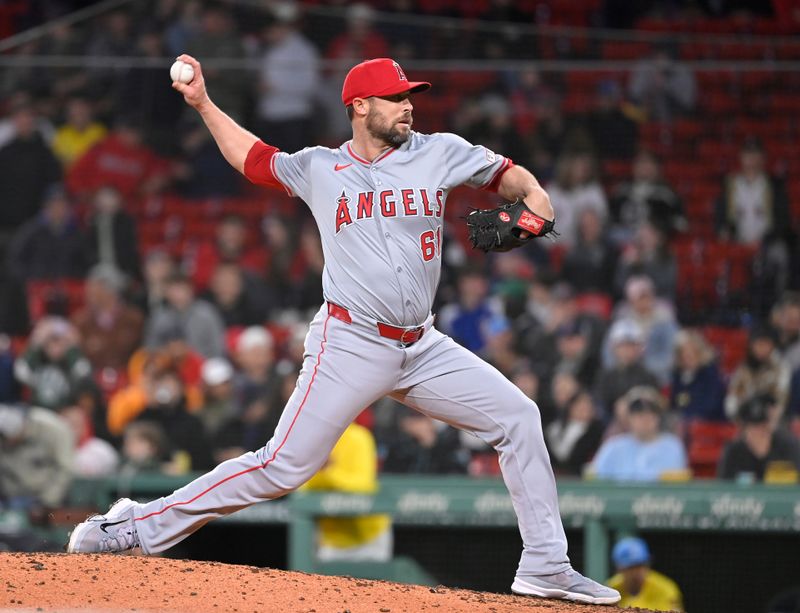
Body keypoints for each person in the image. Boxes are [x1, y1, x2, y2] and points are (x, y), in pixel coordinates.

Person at [67, 55, 620, 605]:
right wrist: (204, 104)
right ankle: (139, 525)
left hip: (421, 344)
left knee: (518, 416)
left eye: (410, 96)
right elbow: (255, 160)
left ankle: (547, 564)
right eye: (396, 97)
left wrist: (537, 204)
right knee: (281, 467)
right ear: (360, 106)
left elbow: (514, 180)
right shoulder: (320, 168)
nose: (409, 106)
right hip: (350, 341)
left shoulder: (439, 151)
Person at [301, 422, 392, 562]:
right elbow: (304, 488)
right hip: (332, 541)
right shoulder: (313, 440)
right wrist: (326, 474)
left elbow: (364, 485)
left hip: (369, 536)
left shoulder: (358, 436)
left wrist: (328, 473)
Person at [592, 386, 687, 481]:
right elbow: (597, 482)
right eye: (638, 414)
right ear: (629, 418)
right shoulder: (613, 446)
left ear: (658, 417)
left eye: (651, 413)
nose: (645, 419)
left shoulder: (672, 446)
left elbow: (677, 487)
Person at [0, 402, 75, 511]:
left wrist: (47, 501)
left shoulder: (52, 429)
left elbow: (65, 468)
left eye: (5, 438)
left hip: (50, 500)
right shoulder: (5, 441)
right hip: (12, 500)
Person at [718, 394, 800, 482]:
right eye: (752, 427)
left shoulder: (789, 446)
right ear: (743, 430)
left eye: (763, 427)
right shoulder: (734, 451)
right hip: (744, 496)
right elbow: (724, 486)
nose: (758, 432)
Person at [606, 537, 684, 611]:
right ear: (619, 569)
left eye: (640, 565)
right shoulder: (611, 589)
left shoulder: (665, 589)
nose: (636, 572)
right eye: (631, 567)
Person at [670, 329, 727, 422]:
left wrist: (689, 418)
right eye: (684, 353)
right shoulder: (678, 375)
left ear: (700, 352)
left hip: (710, 425)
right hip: (683, 423)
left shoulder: (710, 374)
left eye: (692, 352)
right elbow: (674, 403)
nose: (688, 356)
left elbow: (711, 406)